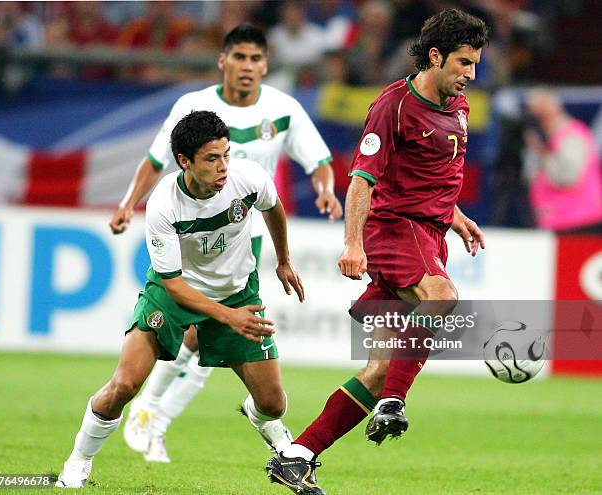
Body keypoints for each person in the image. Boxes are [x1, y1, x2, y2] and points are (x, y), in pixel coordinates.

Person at [265, 9, 489, 494]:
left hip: (428, 233)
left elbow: (426, 179)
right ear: (435, 56)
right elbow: (363, 179)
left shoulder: (458, 103)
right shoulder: (393, 106)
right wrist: (352, 244)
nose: (471, 75)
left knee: (379, 368)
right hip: (396, 231)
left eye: (475, 65)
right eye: (464, 63)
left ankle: (296, 455)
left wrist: (456, 217)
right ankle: (394, 403)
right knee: (442, 297)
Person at [110, 23, 342, 463]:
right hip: (194, 234)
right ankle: (150, 413)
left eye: (256, 59)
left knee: (206, 336)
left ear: (266, 65)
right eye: (240, 57)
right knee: (202, 330)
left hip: (244, 240)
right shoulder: (193, 107)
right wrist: (127, 203)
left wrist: (326, 189)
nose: (248, 67)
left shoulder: (283, 108)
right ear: (223, 61)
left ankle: (151, 415)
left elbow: (321, 159)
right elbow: (157, 160)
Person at [56, 110, 305, 488]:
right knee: (123, 385)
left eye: (226, 155)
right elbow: (173, 286)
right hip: (173, 296)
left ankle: (265, 424)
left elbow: (273, 208)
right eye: (211, 158)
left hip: (237, 292)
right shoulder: (164, 205)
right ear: (184, 162)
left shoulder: (248, 178)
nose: (223, 167)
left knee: (274, 405)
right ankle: (79, 460)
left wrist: (284, 260)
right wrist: (228, 317)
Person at [524, 88, 602, 233]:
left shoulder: (571, 136)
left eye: (538, 112)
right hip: (559, 222)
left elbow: (568, 176)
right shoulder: (549, 139)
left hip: (579, 223)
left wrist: (541, 153)